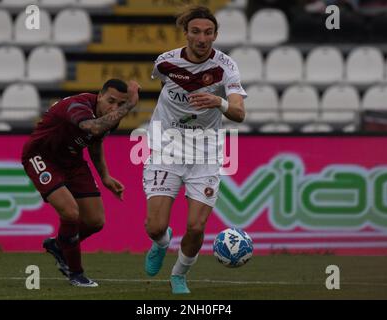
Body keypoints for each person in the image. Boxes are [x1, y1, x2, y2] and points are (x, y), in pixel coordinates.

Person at [143, 6, 247, 294]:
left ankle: (179, 275)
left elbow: (239, 112)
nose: (202, 38)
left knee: (197, 227)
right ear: (186, 33)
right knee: (154, 226)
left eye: (209, 32)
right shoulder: (164, 63)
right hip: (167, 148)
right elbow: (166, 88)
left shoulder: (226, 66)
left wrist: (220, 103)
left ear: (215, 34)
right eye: (196, 32)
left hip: (206, 153)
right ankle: (162, 242)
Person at [22, 79, 140, 287]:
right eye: (110, 101)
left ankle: (59, 245)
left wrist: (105, 176)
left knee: (95, 221)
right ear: (100, 95)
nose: (114, 108)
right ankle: (75, 273)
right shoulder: (78, 106)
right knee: (70, 213)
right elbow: (93, 128)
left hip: (72, 160)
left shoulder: (110, 117)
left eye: (120, 104)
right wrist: (129, 105)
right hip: (42, 156)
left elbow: (95, 142)